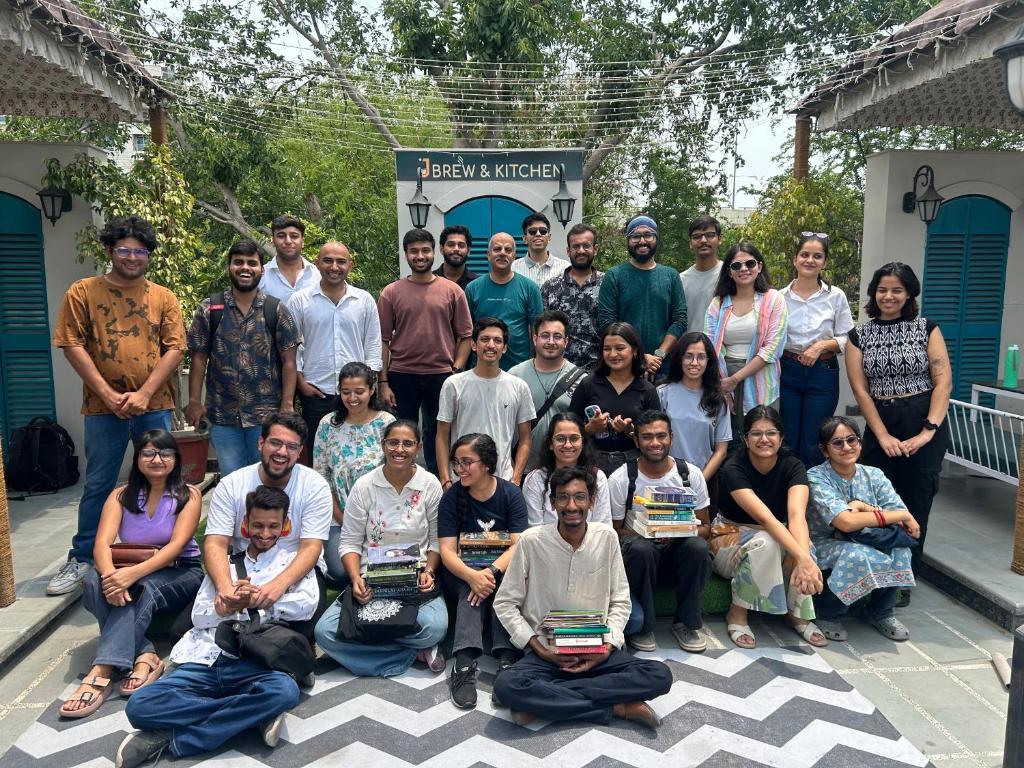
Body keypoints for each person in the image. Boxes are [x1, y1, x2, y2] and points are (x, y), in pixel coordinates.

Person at [116, 486, 316, 768]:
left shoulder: (293, 562)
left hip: (254, 661)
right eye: (258, 525)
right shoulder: (226, 563)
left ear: (286, 525)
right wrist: (224, 607)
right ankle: (250, 716)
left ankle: (173, 740)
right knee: (140, 706)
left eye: (273, 526)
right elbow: (199, 615)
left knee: (283, 692)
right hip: (203, 659)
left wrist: (259, 602)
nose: (265, 533)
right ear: (245, 524)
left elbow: (306, 605)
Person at [48, 215, 186, 596]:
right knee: (99, 483)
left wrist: (144, 394)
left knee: (165, 479)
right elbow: (71, 343)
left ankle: (167, 552)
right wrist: (108, 395)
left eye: (139, 251)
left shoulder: (163, 297)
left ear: (148, 255)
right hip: (101, 408)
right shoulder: (83, 292)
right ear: (110, 251)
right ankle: (83, 556)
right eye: (124, 250)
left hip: (154, 405)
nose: (132, 257)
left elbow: (174, 347)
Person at [492, 466, 674, 728]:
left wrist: (607, 647)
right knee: (506, 685)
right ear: (552, 503)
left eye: (579, 497)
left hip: (597, 651)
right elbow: (505, 602)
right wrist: (540, 649)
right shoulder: (531, 541)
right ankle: (616, 708)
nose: (571, 505)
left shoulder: (607, 537)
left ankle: (548, 702)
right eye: (563, 497)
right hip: (548, 651)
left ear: (592, 501)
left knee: (659, 675)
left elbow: (621, 600)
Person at [62, 431, 203, 719]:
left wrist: (130, 576)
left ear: (175, 459)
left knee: (143, 588)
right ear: (137, 458)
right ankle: (146, 654)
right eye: (148, 453)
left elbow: (176, 547)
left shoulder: (189, 494)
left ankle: (103, 667)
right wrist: (111, 575)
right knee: (92, 582)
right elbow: (101, 543)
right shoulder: (120, 495)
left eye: (165, 453)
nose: (157, 459)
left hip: (181, 571)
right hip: (129, 568)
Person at [846, 262, 951, 592]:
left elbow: (942, 380)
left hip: (924, 418)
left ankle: (906, 580)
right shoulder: (858, 335)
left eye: (896, 290)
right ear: (873, 293)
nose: (888, 296)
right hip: (882, 421)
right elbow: (861, 389)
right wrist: (882, 435)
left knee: (917, 500)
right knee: (877, 501)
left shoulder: (926, 328)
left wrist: (928, 430)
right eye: (882, 290)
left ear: (909, 294)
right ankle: (878, 573)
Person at [314, 420, 448, 677]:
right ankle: (415, 653)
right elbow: (350, 541)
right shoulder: (365, 486)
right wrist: (355, 579)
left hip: (415, 579)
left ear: (418, 447)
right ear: (383, 445)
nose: (400, 449)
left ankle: (362, 651)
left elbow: (436, 539)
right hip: (371, 580)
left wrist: (429, 571)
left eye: (407, 443)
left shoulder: (429, 485)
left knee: (434, 628)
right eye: (393, 442)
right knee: (324, 633)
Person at [203, 412, 332, 643]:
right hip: (244, 567)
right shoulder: (232, 484)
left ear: (300, 451)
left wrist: (277, 586)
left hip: (295, 570)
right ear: (261, 443)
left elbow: (311, 547)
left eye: (291, 446)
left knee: (304, 634)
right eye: (275, 442)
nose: (282, 452)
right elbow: (215, 542)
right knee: (184, 627)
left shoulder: (315, 486)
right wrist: (225, 588)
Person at [709, 406, 826, 649]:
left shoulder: (793, 466)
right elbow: (767, 520)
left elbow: (796, 517)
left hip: (776, 531)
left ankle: (797, 612)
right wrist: (802, 558)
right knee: (770, 541)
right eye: (756, 434)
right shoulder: (733, 468)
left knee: (803, 545)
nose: (764, 439)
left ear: (781, 438)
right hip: (730, 535)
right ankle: (737, 612)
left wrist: (805, 558)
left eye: (771, 433)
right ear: (746, 439)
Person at [186, 238, 301, 475]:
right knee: (232, 479)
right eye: (238, 262)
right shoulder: (209, 309)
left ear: (261, 269)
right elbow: (198, 360)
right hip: (222, 415)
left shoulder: (276, 310)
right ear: (229, 267)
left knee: (268, 477)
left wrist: (287, 405)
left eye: (252, 263)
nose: (245, 268)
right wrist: (195, 402)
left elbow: (290, 362)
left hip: (266, 416)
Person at [607, 411, 712, 653]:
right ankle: (645, 626)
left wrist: (679, 531)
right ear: (636, 441)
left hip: (678, 557)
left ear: (671, 437)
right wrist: (646, 533)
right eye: (647, 437)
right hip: (640, 560)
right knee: (641, 549)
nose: (655, 443)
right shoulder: (623, 478)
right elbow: (613, 532)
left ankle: (686, 623)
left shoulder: (690, 475)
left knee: (698, 547)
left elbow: (706, 527)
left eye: (661, 436)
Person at [807, 417, 918, 642]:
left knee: (899, 549)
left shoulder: (874, 475)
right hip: (824, 542)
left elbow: (899, 518)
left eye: (852, 440)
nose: (847, 447)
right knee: (858, 554)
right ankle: (827, 613)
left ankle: (881, 612)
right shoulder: (816, 477)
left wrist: (862, 509)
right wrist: (894, 515)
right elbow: (844, 523)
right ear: (825, 450)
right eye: (837, 443)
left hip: (869, 538)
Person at [439, 434, 529, 709]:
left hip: (499, 569)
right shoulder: (452, 497)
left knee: (502, 587)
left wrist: (488, 572)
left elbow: (518, 544)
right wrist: (472, 575)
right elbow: (446, 551)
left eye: (467, 462)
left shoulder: (510, 494)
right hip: (461, 572)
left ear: (487, 464)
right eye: (457, 463)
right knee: (470, 589)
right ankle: (463, 664)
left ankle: (507, 661)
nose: (460, 469)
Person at [378, 228, 473, 475]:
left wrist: (456, 370)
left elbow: (465, 335)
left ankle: (438, 483)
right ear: (406, 255)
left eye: (424, 250)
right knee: (402, 434)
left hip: (441, 374)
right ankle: (402, 479)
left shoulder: (453, 291)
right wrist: (384, 382)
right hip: (402, 374)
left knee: (438, 433)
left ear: (434, 253)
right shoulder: (391, 292)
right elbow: (383, 340)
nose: (420, 256)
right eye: (413, 251)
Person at [286, 241, 382, 458]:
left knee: (359, 452)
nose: (334, 267)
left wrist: (368, 387)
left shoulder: (364, 300)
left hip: (357, 394)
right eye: (328, 260)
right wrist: (301, 382)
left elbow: (373, 344)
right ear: (317, 263)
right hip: (316, 391)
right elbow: (292, 348)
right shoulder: (300, 301)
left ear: (351, 265)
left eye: (341, 261)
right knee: (318, 453)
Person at [312, 362, 396, 587]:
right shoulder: (328, 424)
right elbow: (322, 479)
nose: (352, 398)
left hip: (382, 516)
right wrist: (345, 520)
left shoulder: (386, 423)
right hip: (339, 517)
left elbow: (396, 474)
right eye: (346, 392)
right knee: (340, 572)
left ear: (371, 390)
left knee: (386, 567)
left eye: (359, 392)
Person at [705, 241, 788, 453]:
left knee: (762, 437)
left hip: (760, 376)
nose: (744, 269)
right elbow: (709, 343)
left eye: (749, 264)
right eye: (736, 266)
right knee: (729, 440)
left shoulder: (774, 300)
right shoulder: (718, 303)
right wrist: (724, 380)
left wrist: (737, 378)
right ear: (729, 272)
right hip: (723, 378)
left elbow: (773, 348)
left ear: (759, 266)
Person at [779, 233, 854, 468]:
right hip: (787, 370)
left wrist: (822, 344)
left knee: (815, 439)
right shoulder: (779, 297)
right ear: (795, 259)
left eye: (817, 256)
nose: (810, 260)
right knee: (788, 438)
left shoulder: (835, 296)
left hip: (823, 371)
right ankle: (790, 493)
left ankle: (814, 497)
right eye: (805, 255)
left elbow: (848, 339)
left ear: (824, 262)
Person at [436, 318, 536, 487]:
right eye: (485, 339)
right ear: (474, 345)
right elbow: (441, 436)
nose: (491, 345)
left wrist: (516, 478)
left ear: (504, 348)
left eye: (498, 341)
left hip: (502, 481)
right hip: (461, 479)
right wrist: (446, 481)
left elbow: (526, 438)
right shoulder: (453, 384)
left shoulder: (519, 386)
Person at [597, 215, 686, 379]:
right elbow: (607, 322)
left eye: (648, 235)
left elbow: (679, 320)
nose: (642, 241)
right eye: (635, 236)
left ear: (656, 238)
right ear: (628, 240)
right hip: (622, 368)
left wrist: (659, 355)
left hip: (663, 369)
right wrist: (640, 357)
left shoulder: (671, 276)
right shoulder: (614, 276)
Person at [569, 322, 660, 476]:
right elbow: (567, 428)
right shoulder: (589, 384)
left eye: (619, 348)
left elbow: (655, 436)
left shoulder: (647, 390)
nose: (612, 354)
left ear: (635, 350)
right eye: (607, 349)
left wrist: (630, 432)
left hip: (634, 464)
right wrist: (591, 429)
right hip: (592, 463)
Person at [657, 331, 731, 510]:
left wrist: (699, 481)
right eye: (688, 356)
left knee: (699, 535)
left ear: (709, 361)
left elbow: (721, 450)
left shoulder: (718, 400)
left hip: (704, 482)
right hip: (665, 480)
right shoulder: (662, 393)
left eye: (701, 357)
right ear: (680, 359)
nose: (694, 363)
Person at [509, 310, 586, 471]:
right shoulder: (514, 376)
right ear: (535, 339)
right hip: (521, 468)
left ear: (566, 342)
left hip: (566, 469)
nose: (551, 342)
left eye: (557, 336)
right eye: (545, 335)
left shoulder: (581, 380)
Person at [464, 232, 544, 370]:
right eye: (497, 249)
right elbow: (466, 332)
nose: (502, 253)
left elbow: (537, 330)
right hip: (481, 367)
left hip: (519, 368)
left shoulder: (530, 288)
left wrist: (536, 364)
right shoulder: (472, 288)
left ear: (514, 255)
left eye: (508, 250)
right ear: (488, 254)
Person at [522, 413, 612, 526]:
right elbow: (534, 530)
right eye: (560, 439)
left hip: (591, 543)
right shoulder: (535, 479)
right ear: (550, 444)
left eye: (574, 439)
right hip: (546, 543)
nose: (568, 445)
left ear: (583, 443)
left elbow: (603, 526)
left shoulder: (598, 477)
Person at [540, 223, 604, 368]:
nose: (581, 251)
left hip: (599, 370)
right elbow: (541, 330)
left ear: (595, 249)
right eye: (576, 247)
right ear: (568, 251)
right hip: (559, 370)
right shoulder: (550, 287)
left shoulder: (607, 284)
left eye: (586, 246)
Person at [680, 216, 724, 334]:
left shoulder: (729, 275)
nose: (703, 240)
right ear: (690, 243)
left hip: (722, 349)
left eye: (710, 235)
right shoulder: (681, 280)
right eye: (697, 236)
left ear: (719, 239)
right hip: (688, 348)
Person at [258, 214, 318, 300]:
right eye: (281, 236)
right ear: (273, 241)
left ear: (303, 241)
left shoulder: (317, 275)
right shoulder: (261, 277)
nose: (288, 241)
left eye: (294, 236)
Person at [512, 212, 570, 286]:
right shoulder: (514, 268)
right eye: (532, 231)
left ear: (549, 237)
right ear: (525, 238)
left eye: (543, 231)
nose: (538, 234)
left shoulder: (565, 268)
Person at [434, 224, 480, 289]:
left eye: (461, 245)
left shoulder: (477, 284)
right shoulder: (430, 281)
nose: (456, 249)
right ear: (441, 249)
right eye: (451, 245)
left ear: (468, 251)